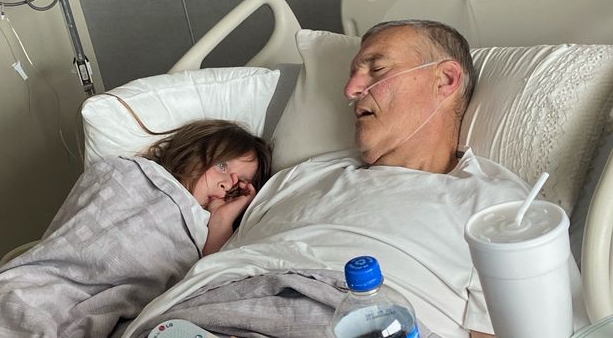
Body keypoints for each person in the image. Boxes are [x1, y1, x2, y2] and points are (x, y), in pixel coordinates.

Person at [123, 20, 581, 338]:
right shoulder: (299, 176)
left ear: (445, 80)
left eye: (376, 70)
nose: (350, 90)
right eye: (352, 74)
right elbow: (219, 269)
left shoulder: (501, 207)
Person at [0, 119, 273, 337]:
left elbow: (206, 280)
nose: (228, 180)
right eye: (222, 165)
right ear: (192, 150)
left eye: (240, 181)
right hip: (39, 285)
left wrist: (221, 219)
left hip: (103, 310)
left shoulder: (205, 227)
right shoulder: (126, 172)